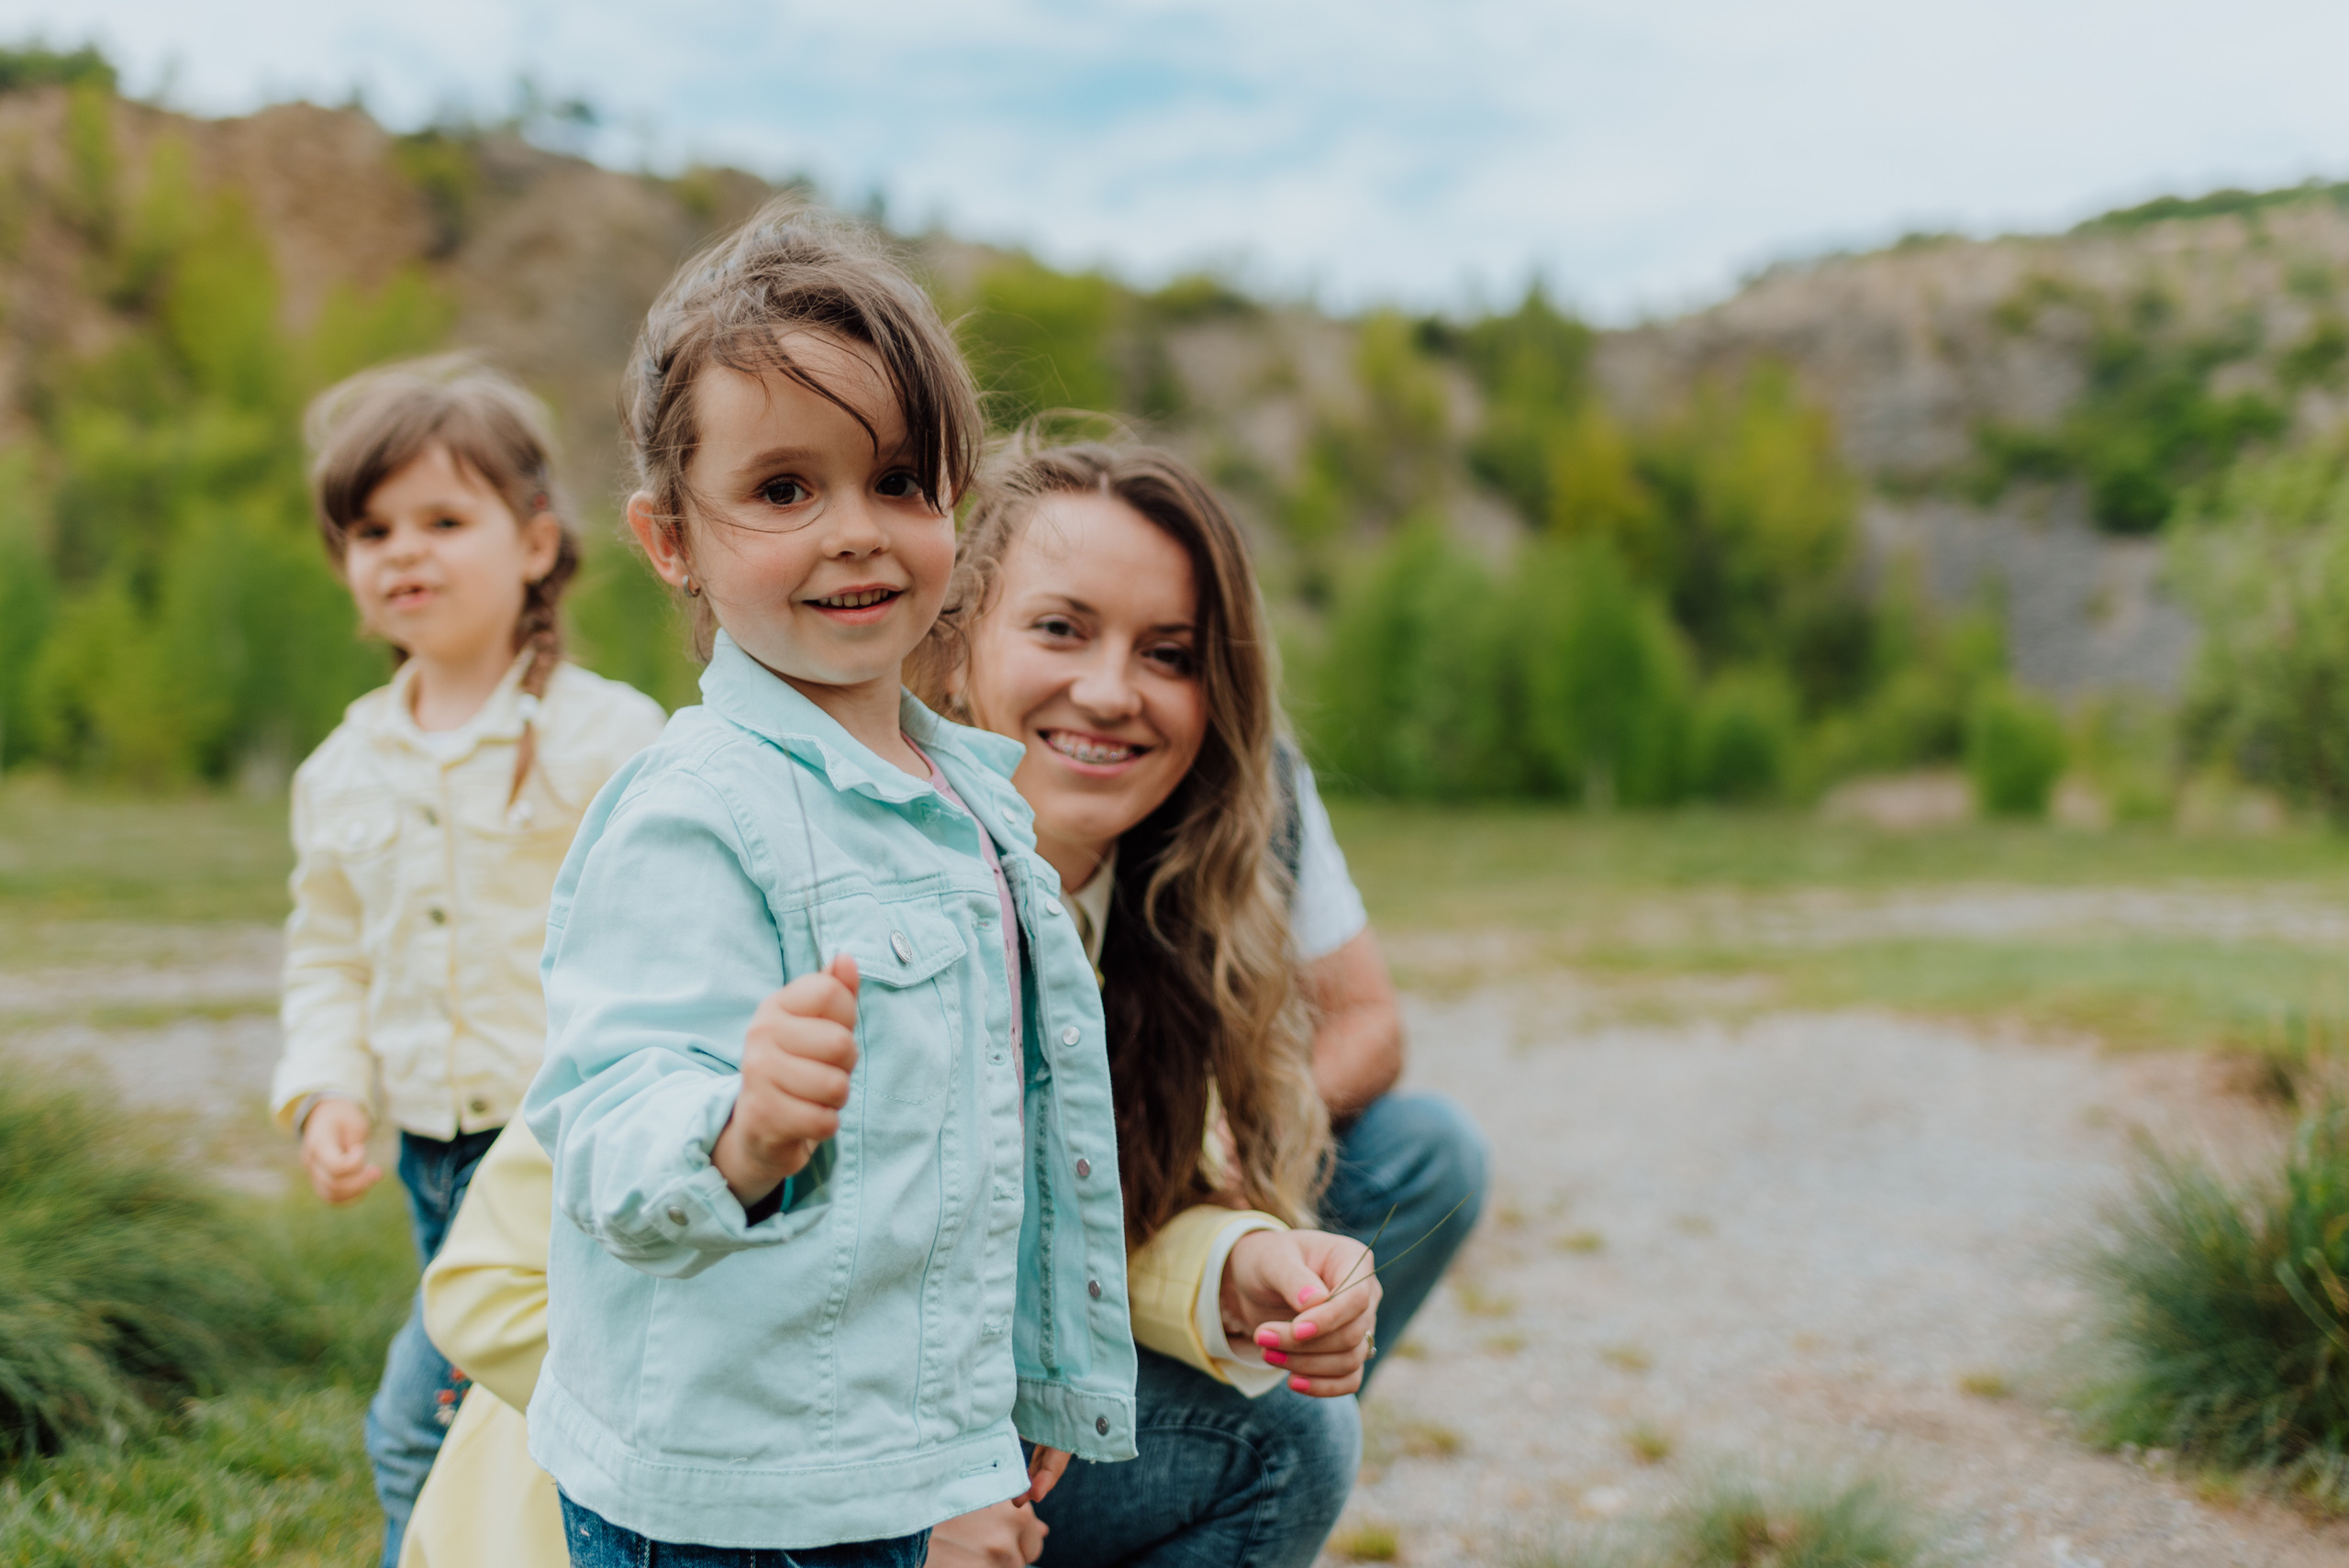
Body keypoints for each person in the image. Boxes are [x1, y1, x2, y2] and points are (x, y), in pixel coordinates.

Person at [407, 438, 1480, 1568]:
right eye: (1062, 628)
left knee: (1295, 1420)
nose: (1111, 690)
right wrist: (897, 1488)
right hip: (669, 1516)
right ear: (955, 639)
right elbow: (486, 1280)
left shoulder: (1127, 909)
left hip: (916, 1455)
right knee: (1280, 1443)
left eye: (1167, 652)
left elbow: (1045, 1229)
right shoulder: (792, 859)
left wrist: (1234, 1271)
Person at [515, 203, 1140, 1568]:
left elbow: (987, 1146)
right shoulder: (698, 808)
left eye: (902, 482)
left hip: (884, 1458)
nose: (858, 532)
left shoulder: (969, 794)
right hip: (732, 1496)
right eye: (787, 491)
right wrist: (737, 1131)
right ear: (670, 538)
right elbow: (610, 1110)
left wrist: (1006, 1391)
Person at [270, 356, 668, 1568]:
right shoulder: (342, 769)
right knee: (502, 1420)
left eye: (446, 520)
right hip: (433, 1162)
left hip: (559, 1155)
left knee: (417, 1423)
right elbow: (329, 953)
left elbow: (662, 935)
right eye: (372, 528)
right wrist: (328, 1087)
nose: (406, 552)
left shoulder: (608, 737)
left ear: (537, 543)